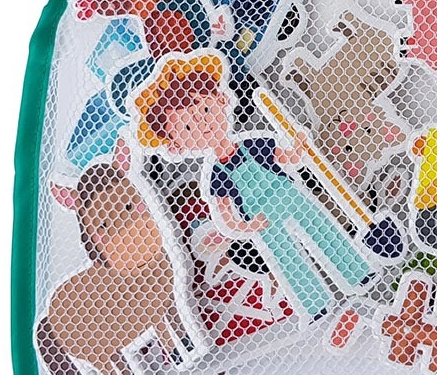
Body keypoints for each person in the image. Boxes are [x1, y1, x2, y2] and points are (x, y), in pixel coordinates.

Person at [134, 54, 373, 321]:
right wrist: (245, 226)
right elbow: (225, 213)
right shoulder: (216, 174)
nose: (202, 124)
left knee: (322, 228)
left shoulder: (254, 144)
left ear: (222, 100)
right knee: (285, 258)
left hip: (292, 196)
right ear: (177, 146)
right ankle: (315, 304)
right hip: (262, 220)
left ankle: (357, 272)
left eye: (205, 111)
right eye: (188, 127)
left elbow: (287, 158)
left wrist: (299, 147)